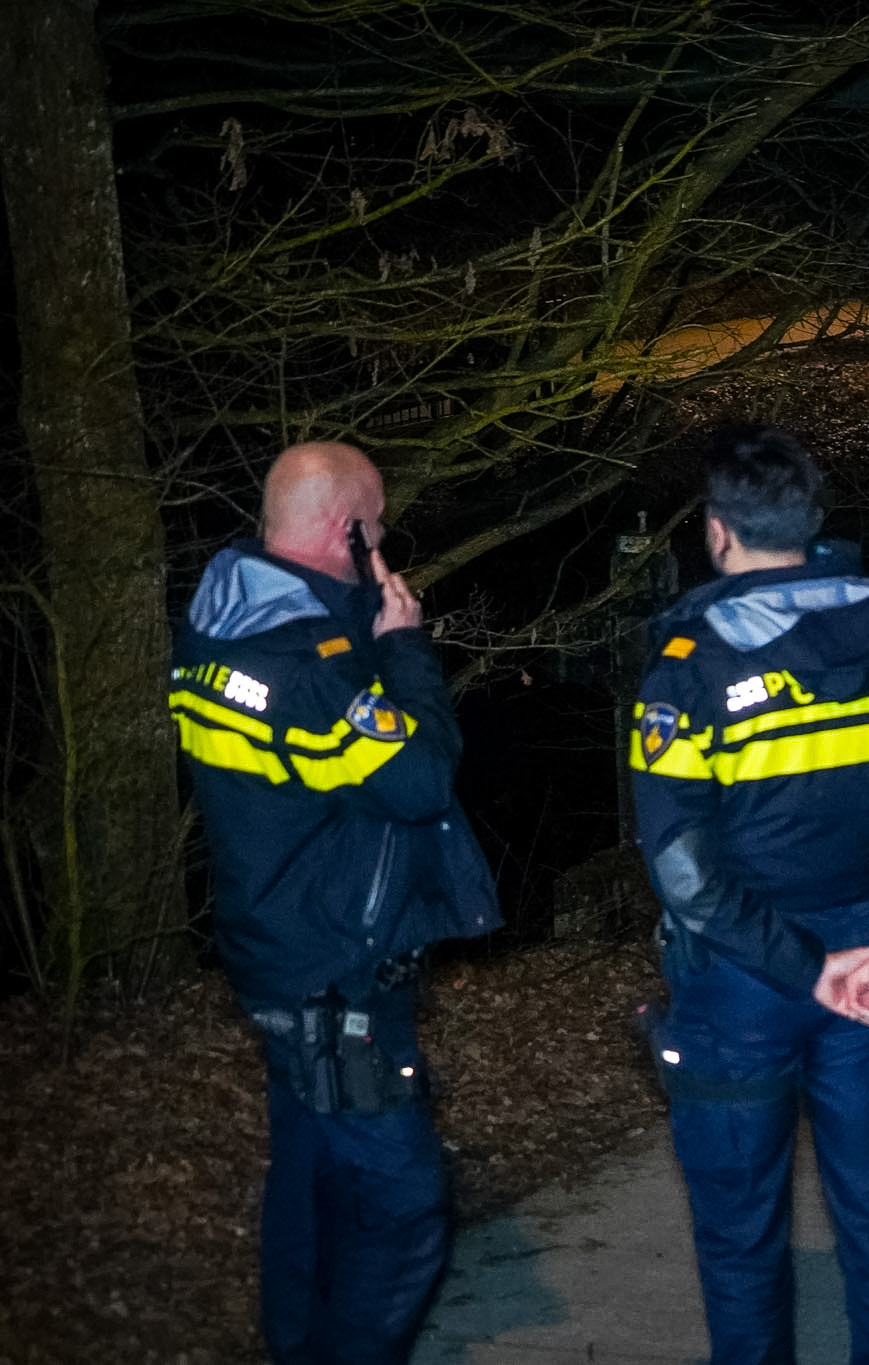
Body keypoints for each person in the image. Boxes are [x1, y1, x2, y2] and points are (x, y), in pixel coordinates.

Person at [631, 426, 869, 1365]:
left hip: (741, 980)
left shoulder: (688, 672)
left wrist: (808, 967)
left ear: (718, 534)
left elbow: (682, 866)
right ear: (813, 524)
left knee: (741, 1238)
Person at [169, 441, 501, 1364]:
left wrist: (357, 621)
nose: (388, 538)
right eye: (379, 523)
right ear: (345, 529)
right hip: (335, 980)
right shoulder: (313, 670)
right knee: (405, 1215)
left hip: (272, 946)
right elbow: (421, 776)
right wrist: (403, 650)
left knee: (309, 1184)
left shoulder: (218, 624)